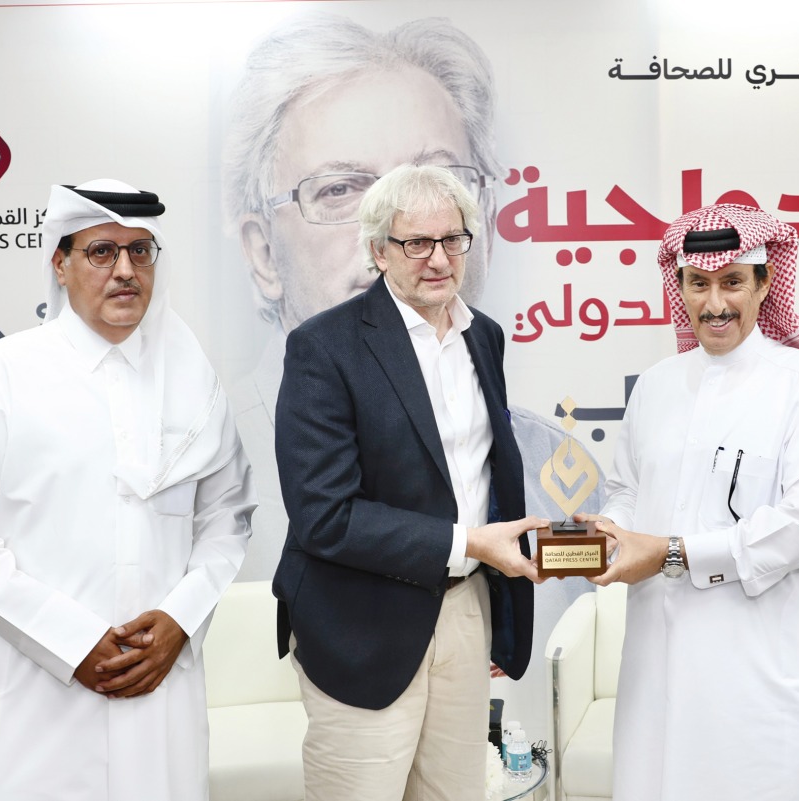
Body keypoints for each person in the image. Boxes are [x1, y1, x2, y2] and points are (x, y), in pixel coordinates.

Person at [220, 12, 604, 742]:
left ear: (477, 224)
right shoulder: (226, 457)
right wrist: (467, 544)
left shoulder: (548, 445)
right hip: (358, 657)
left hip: (465, 647)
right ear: (263, 250)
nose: (403, 231)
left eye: (441, 187)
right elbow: (328, 519)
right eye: (339, 189)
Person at [0, 179, 257, 801]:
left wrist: (180, 621)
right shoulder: (3, 374)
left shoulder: (193, 381)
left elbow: (228, 517)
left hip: (157, 690)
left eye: (141, 251)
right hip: (32, 696)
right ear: (60, 263)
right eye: (102, 251)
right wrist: (73, 643)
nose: (125, 270)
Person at [272, 164, 544, 800]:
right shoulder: (324, 347)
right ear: (377, 251)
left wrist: (497, 595)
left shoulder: (485, 337)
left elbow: (483, 476)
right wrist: (471, 544)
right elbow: (324, 514)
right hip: (361, 625)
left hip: (465, 610)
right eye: (415, 243)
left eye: (452, 240)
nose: (438, 260)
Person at [583, 204, 799, 801]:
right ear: (678, 286)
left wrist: (669, 554)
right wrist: (611, 532)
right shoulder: (657, 386)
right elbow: (630, 489)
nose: (715, 303)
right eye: (699, 283)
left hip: (763, 680)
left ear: (765, 283)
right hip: (660, 674)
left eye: (733, 281)